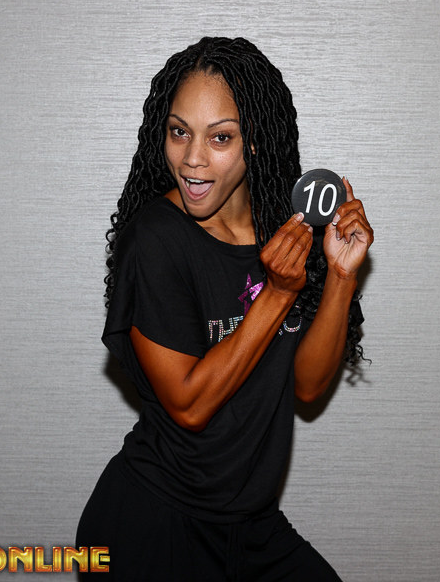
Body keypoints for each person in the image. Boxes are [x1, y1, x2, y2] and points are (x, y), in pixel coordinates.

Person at [76, 36, 373, 581]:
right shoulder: (155, 241)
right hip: (155, 525)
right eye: (179, 132)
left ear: (254, 140)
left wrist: (340, 275)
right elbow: (190, 405)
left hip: (252, 526)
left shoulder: (283, 230)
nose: (192, 158)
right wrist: (276, 294)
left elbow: (307, 386)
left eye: (220, 137)